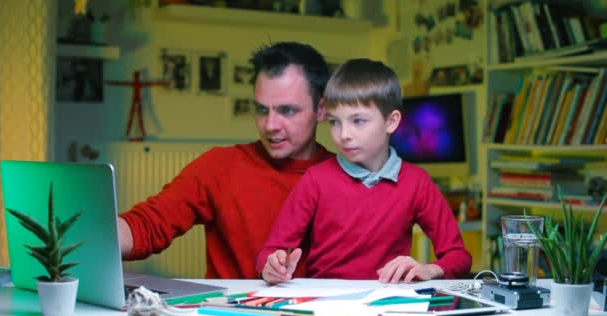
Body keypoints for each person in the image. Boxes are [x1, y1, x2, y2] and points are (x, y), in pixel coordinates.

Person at [118, 42, 334, 279]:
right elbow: (149, 224)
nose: (270, 125)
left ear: (322, 109)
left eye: (288, 111)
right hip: (226, 313)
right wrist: (90, 237)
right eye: (262, 110)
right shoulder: (220, 166)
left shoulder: (345, 177)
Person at [257, 58, 472, 284]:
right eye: (335, 122)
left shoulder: (417, 182)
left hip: (387, 304)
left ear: (391, 122)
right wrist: (271, 267)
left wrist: (430, 269)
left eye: (357, 121)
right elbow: (268, 253)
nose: (344, 134)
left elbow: (459, 257)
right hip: (325, 304)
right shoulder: (315, 180)